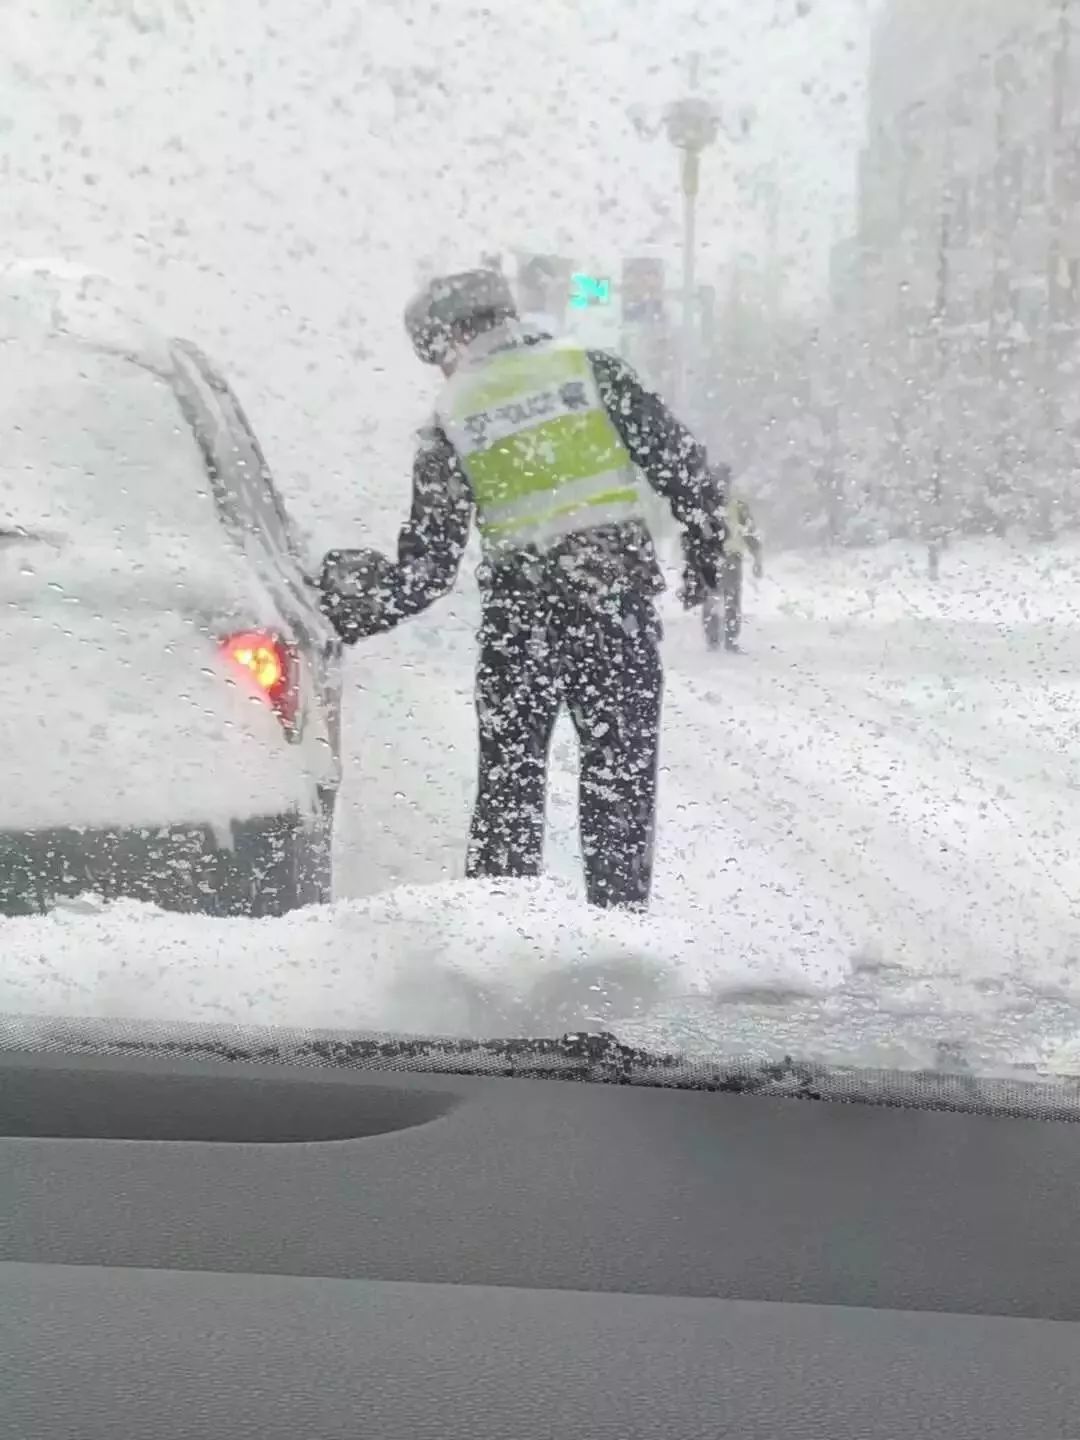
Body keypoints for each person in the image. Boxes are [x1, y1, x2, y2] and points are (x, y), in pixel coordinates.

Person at [319, 268, 727, 909]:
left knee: (509, 791)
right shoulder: (589, 370)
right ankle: (618, 939)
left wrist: (344, 611)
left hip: (522, 622)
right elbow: (678, 462)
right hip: (613, 605)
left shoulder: (449, 418)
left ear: (449, 339)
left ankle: (504, 942)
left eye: (434, 356)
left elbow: (427, 568)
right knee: (618, 786)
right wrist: (707, 546)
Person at [687, 479, 763, 652]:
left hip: (729, 558)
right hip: (713, 558)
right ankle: (717, 639)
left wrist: (757, 558)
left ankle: (726, 638)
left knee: (728, 599)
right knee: (718, 598)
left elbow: (750, 535)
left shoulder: (735, 507)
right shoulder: (706, 507)